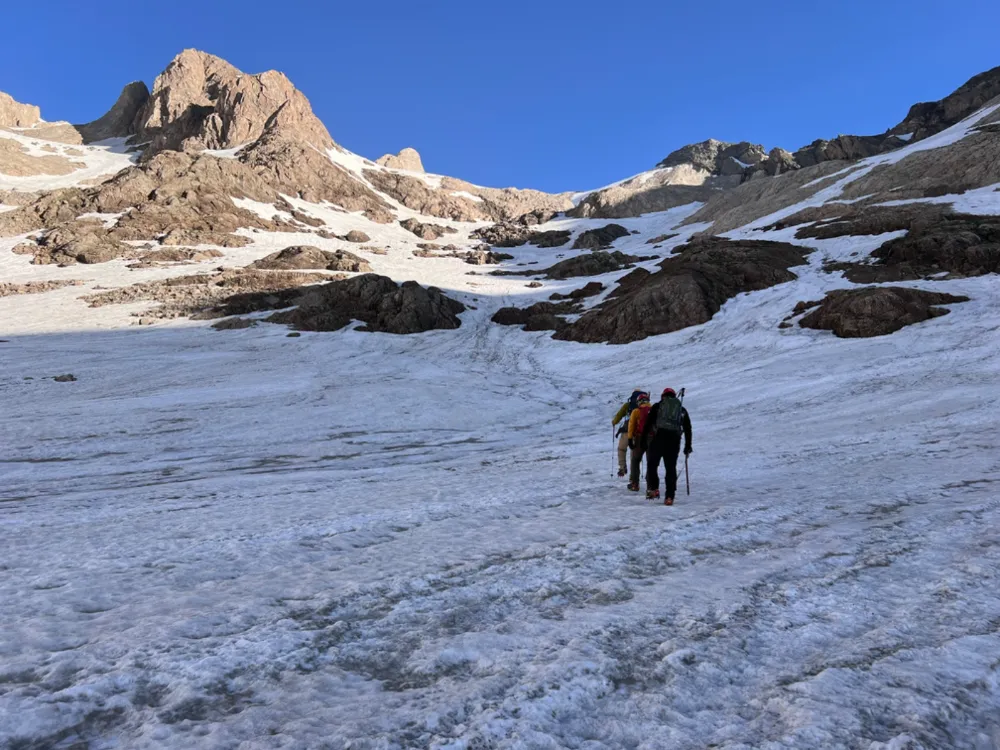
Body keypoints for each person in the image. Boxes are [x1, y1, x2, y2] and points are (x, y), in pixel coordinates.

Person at [645, 388, 692, 505]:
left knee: (652, 464)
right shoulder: (681, 409)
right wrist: (688, 446)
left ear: (663, 396)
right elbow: (687, 428)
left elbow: (648, 424)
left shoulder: (657, 406)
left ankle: (654, 489)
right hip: (674, 442)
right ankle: (669, 497)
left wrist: (643, 442)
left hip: (658, 440)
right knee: (670, 469)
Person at [611, 388, 645, 478]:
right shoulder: (643, 406)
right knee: (634, 454)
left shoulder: (628, 405)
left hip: (626, 431)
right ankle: (633, 476)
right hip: (638, 433)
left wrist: (614, 422)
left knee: (621, 449)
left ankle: (622, 468)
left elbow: (619, 414)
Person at [626, 392, 651, 491]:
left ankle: (635, 484)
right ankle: (650, 485)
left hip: (639, 438)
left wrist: (630, 439)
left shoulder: (636, 411)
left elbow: (631, 426)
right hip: (652, 438)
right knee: (651, 462)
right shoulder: (655, 409)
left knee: (635, 460)